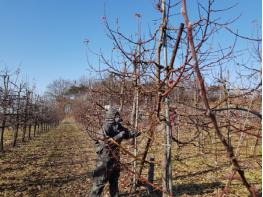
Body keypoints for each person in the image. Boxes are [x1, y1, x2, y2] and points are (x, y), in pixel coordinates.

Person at [89, 107, 141, 197]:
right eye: (116, 115)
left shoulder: (117, 126)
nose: (118, 117)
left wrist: (136, 133)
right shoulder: (104, 128)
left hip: (115, 158)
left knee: (114, 180)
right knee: (99, 183)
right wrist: (119, 136)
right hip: (104, 160)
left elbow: (126, 133)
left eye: (118, 115)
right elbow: (107, 143)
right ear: (111, 116)